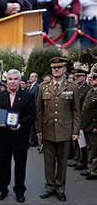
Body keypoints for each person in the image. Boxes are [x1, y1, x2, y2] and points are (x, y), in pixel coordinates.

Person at [36, 57, 80, 202]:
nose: (56, 69)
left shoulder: (72, 86)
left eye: (59, 67)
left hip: (65, 130)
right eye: (54, 67)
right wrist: (39, 129)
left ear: (65, 69)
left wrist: (75, 131)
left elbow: (76, 111)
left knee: (62, 161)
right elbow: (39, 111)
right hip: (48, 128)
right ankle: (49, 187)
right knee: (48, 161)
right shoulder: (44, 86)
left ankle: (60, 188)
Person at [0, 69, 35, 203]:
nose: (13, 81)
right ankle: (3, 189)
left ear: (20, 80)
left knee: (20, 166)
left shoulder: (28, 96)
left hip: (20, 136)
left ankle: (20, 191)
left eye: (15, 79)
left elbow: (31, 115)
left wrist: (21, 125)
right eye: (10, 79)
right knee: (4, 165)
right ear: (6, 81)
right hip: (4, 136)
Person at [68, 68, 91, 171]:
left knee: (83, 142)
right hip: (74, 118)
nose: (75, 78)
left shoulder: (87, 89)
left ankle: (83, 161)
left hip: (82, 118)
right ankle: (77, 159)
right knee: (76, 141)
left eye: (78, 76)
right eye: (75, 76)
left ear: (84, 77)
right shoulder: (76, 88)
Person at [80, 67, 97, 180]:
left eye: (94, 78)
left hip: (94, 125)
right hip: (87, 124)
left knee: (95, 149)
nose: (92, 79)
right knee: (89, 148)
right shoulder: (91, 90)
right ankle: (90, 167)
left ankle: (95, 170)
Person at [28, 72, 39, 146]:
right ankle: (31, 139)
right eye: (30, 76)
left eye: (32, 77)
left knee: (33, 126)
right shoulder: (31, 86)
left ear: (36, 78)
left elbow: (36, 99)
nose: (30, 78)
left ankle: (34, 140)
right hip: (30, 109)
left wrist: (35, 110)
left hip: (33, 109)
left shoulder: (37, 86)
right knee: (31, 126)